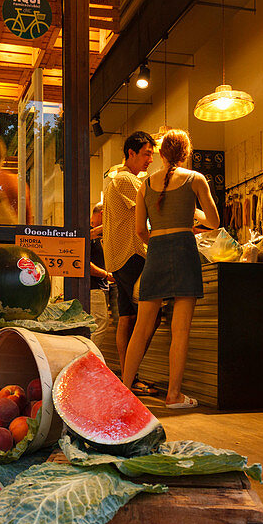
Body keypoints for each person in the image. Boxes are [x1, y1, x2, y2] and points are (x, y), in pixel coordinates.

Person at [122, 129, 220, 409]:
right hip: (184, 250)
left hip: (156, 250)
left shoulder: (144, 185)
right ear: (186, 154)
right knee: (181, 329)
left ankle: (125, 389)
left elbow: (140, 229)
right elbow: (214, 221)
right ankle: (173, 396)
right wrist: (193, 214)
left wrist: (158, 241)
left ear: (162, 154)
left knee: (141, 327)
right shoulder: (195, 179)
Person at [102, 130, 156, 392]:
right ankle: (131, 375)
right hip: (132, 255)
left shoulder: (114, 179)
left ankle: (128, 378)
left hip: (118, 258)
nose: (150, 160)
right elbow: (154, 208)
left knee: (127, 317)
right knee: (151, 314)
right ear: (131, 153)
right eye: (146, 154)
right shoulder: (127, 180)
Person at [88, 201, 113, 352]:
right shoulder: (89, 233)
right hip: (93, 287)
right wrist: (106, 275)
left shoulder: (97, 234)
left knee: (94, 326)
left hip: (97, 288)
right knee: (100, 325)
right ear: (103, 214)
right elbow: (83, 263)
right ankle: (87, 361)